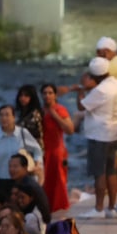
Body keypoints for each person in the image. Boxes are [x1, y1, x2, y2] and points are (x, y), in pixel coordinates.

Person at [75, 57, 117, 220]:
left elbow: (81, 106)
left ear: (95, 76)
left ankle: (98, 209)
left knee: (99, 173)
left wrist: (80, 91)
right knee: (111, 171)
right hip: (115, 132)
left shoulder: (100, 90)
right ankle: (111, 207)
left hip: (99, 135)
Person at [0, 105, 42, 207]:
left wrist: (37, 164)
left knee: (18, 212)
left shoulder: (22, 133)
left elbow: (37, 150)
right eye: (1, 115)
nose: (4, 118)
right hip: (0, 180)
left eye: (7, 115)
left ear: (14, 117)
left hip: (19, 181)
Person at [39, 83, 74, 213]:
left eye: (50, 93)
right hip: (43, 151)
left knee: (59, 181)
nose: (47, 96)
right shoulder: (40, 111)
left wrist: (55, 116)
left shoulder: (60, 110)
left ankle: (60, 210)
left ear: (55, 95)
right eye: (45, 93)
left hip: (57, 151)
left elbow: (70, 129)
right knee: (44, 182)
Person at [14, 84, 44, 150]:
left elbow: (31, 132)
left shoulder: (35, 114)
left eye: (26, 96)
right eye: (21, 95)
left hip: (34, 148)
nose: (22, 98)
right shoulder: (19, 113)